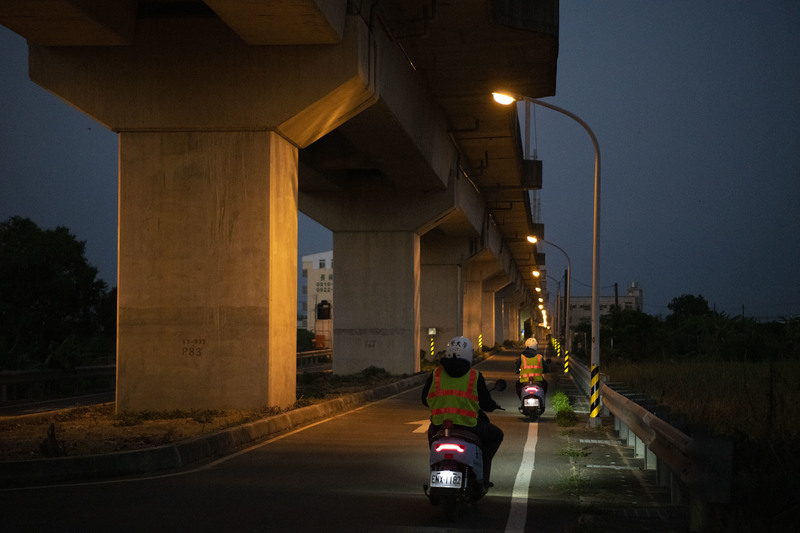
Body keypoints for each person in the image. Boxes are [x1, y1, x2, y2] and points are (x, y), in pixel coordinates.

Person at [422, 336, 504, 488]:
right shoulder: (475, 376)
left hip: (440, 426)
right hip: (469, 426)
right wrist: (492, 405)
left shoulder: (436, 374)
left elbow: (424, 399)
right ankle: (483, 477)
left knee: (432, 437)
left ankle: (436, 469)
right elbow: (485, 404)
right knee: (497, 435)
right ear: (469, 354)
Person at [516, 337, 549, 409]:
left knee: (517, 385)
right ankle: (542, 402)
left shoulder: (522, 357)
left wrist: (517, 371)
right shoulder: (539, 357)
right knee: (545, 385)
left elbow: (517, 367)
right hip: (538, 380)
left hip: (524, 381)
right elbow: (546, 368)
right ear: (536, 346)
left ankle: (522, 399)